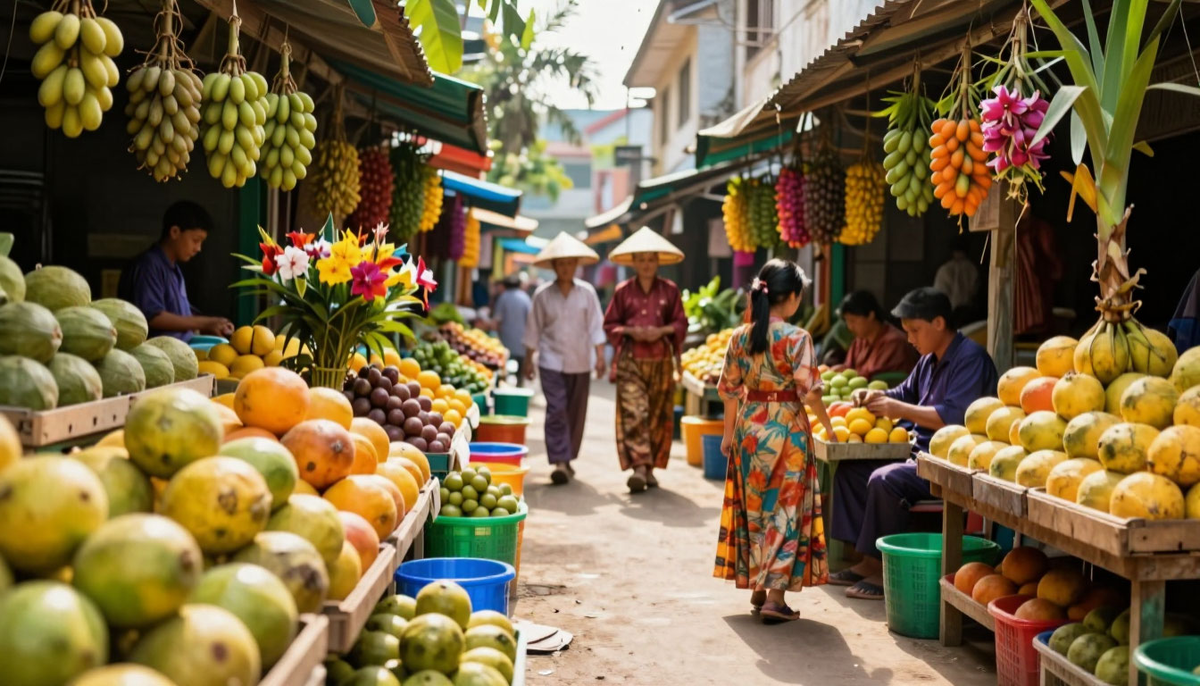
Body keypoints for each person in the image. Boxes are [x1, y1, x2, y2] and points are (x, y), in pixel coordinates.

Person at [828, 287, 998, 601]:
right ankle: (867, 560)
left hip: (950, 464)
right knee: (850, 471)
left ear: (939, 323)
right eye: (907, 331)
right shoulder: (928, 360)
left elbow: (955, 416)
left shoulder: (970, 358)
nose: (909, 339)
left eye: (914, 330)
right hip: (919, 456)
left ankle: (883, 569)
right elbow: (904, 393)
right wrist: (876, 396)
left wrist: (899, 409)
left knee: (885, 480)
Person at [714, 259, 835, 623]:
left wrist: (728, 435)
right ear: (793, 297)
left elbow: (729, 391)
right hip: (788, 432)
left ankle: (758, 585)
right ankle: (775, 598)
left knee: (755, 508)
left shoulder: (740, 337)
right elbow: (810, 393)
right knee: (785, 510)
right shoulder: (798, 338)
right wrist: (828, 427)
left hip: (750, 430)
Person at [602, 227, 688, 493]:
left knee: (657, 416)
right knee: (635, 412)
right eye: (641, 259)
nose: (647, 264)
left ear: (658, 261)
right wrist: (631, 331)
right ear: (634, 262)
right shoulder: (623, 291)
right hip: (631, 362)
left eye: (651, 259)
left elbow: (680, 323)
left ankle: (649, 469)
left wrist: (661, 331)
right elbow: (610, 325)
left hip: (661, 361)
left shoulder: (670, 290)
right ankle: (639, 467)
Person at [523, 233, 608, 485]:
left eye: (570, 263)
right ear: (553, 266)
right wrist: (528, 360)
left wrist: (600, 356)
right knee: (557, 410)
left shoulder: (587, 293)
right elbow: (533, 329)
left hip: (580, 362)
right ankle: (559, 461)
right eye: (561, 263)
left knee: (575, 413)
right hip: (550, 362)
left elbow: (596, 326)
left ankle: (567, 457)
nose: (566, 268)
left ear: (576, 265)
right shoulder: (542, 295)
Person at [118, 201, 233, 341]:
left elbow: (183, 314)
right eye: (196, 240)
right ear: (175, 232)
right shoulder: (148, 266)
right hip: (159, 350)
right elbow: (152, 317)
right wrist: (205, 323)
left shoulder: (174, 270)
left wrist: (216, 324)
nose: (198, 248)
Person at [835, 290, 919, 380]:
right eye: (847, 321)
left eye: (853, 321)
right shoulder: (860, 340)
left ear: (871, 315)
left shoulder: (894, 342)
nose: (850, 327)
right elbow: (848, 367)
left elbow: (873, 377)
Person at [491, 273, 533, 386]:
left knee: (504, 368)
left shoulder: (503, 297)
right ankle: (519, 387)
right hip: (522, 340)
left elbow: (497, 319)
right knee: (520, 369)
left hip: (506, 339)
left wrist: (494, 334)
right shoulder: (525, 298)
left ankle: (503, 387)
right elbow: (530, 320)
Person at [933, 239, 979, 318]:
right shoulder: (972, 268)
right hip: (966, 311)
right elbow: (975, 290)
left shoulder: (945, 269)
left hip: (953, 311)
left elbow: (939, 292)